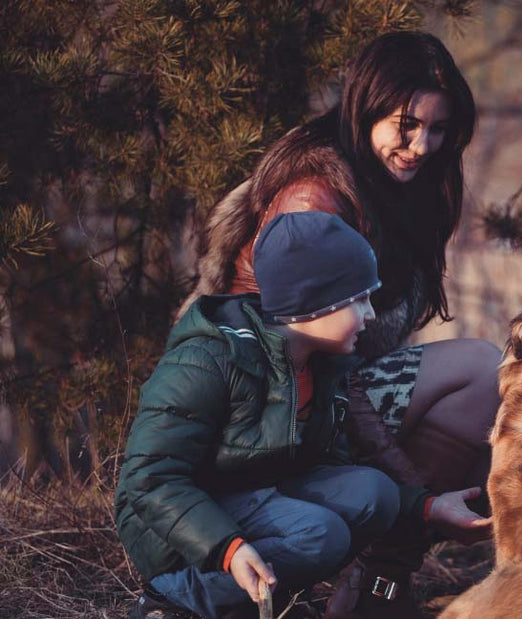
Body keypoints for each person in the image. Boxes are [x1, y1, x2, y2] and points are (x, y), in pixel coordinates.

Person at [179, 32, 499, 616]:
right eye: (406, 125)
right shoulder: (315, 196)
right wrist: (418, 494)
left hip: (338, 386)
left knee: (493, 419)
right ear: (365, 108)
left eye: (437, 129)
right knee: (481, 371)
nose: (421, 146)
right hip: (273, 410)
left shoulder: (402, 187)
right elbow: (302, 365)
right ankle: (374, 582)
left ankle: (380, 584)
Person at [116, 212, 490, 619]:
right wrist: (228, 548)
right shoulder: (208, 359)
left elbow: (333, 467)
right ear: (313, 303)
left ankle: (250, 601)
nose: (370, 314)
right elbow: (151, 478)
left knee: (375, 493)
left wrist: (427, 506)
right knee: (320, 535)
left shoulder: (322, 365)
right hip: (177, 531)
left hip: (254, 494)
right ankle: (170, 602)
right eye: (359, 300)